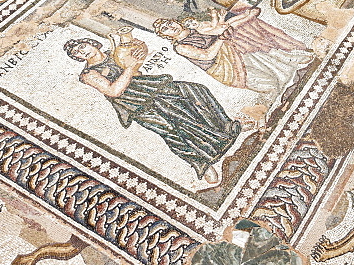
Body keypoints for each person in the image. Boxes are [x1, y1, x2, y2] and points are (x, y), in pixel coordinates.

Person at [63, 37, 241, 184]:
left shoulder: (115, 53)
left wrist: (141, 49)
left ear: (91, 42)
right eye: (76, 53)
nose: (81, 52)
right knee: (170, 131)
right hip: (134, 103)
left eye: (81, 46)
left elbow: (137, 56)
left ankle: (225, 127)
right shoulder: (89, 74)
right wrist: (131, 67)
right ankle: (202, 164)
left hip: (150, 87)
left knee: (195, 92)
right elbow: (113, 91)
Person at [153, 6, 311, 103]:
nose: (170, 27)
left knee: (244, 37)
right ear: (166, 36)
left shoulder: (197, 28)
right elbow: (208, 55)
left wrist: (239, 19)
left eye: (169, 23)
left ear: (175, 21)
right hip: (225, 68)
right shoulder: (181, 47)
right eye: (165, 29)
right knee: (270, 84)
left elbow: (223, 27)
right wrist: (222, 38)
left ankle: (292, 58)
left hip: (234, 50)